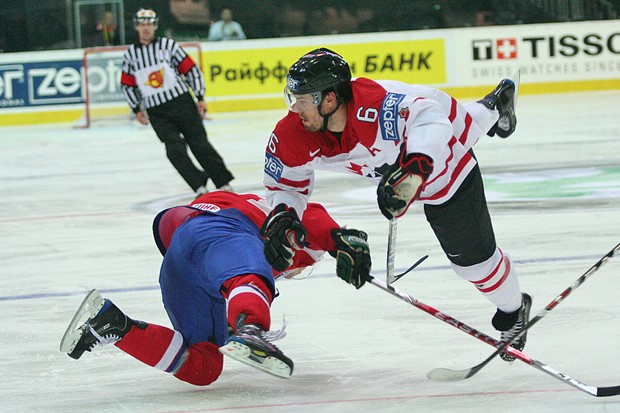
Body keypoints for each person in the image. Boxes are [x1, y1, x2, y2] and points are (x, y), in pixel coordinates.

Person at [260, 47, 532, 362]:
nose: (295, 108)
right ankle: (495, 106)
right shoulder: (295, 132)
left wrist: (415, 167)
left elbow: (431, 120)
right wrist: (283, 215)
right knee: (468, 123)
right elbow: (284, 184)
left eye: (303, 100)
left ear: (330, 99)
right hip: (418, 134)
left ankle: (514, 310)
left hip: (440, 156)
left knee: (474, 265)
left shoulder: (377, 108)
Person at [60, 190, 371, 385]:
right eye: (302, 269)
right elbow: (313, 217)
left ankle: (114, 325)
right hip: (223, 230)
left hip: (180, 260)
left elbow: (170, 227)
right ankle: (251, 330)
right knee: (250, 279)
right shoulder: (282, 224)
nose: (294, 273)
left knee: (204, 367)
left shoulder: (250, 207)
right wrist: (337, 241)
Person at [120, 8, 234, 196]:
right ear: (137, 27)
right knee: (174, 150)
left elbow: (191, 70)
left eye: (149, 24)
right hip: (157, 111)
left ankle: (223, 182)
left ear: (154, 26)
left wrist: (199, 97)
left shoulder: (168, 45)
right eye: (142, 24)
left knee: (199, 144)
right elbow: (127, 84)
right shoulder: (131, 55)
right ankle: (198, 185)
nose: (146, 28)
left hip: (182, 103)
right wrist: (136, 109)